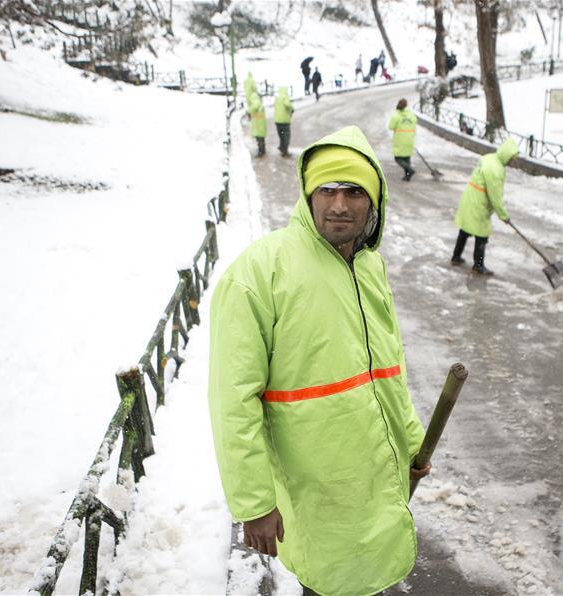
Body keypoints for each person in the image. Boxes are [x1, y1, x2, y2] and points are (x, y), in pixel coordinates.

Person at [208, 125, 430, 596]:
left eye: (354, 191)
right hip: (315, 484)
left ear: (374, 200)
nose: (339, 205)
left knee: (373, 575)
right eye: (326, 190)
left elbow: (389, 369)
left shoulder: (370, 266)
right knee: (329, 582)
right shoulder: (260, 272)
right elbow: (233, 398)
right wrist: (253, 503)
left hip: (374, 473)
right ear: (307, 195)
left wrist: (412, 442)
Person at [452, 137, 519, 274]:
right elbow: (495, 197)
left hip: (470, 197)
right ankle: (478, 265)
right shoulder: (496, 170)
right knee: (482, 235)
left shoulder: (490, 157)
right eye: (512, 158)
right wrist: (503, 215)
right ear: (507, 155)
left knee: (465, 229)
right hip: (479, 203)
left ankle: (456, 256)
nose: (513, 162)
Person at [388, 98, 417, 181]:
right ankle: (407, 176)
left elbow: (391, 127)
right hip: (410, 139)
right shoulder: (411, 115)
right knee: (407, 158)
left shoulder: (396, 115)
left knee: (398, 158)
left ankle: (410, 170)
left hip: (400, 139)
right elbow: (414, 123)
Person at [273, 86, 294, 157]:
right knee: (286, 136)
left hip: (277, 121)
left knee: (281, 136)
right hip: (285, 121)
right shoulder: (285, 97)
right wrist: (292, 108)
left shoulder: (277, 98)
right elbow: (288, 104)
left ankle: (281, 148)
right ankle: (285, 152)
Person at [247, 92, 267, 157]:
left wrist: (248, 110)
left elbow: (250, 110)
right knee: (261, 139)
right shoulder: (258, 102)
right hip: (260, 124)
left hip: (258, 125)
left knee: (259, 139)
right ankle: (262, 150)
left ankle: (261, 152)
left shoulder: (255, 103)